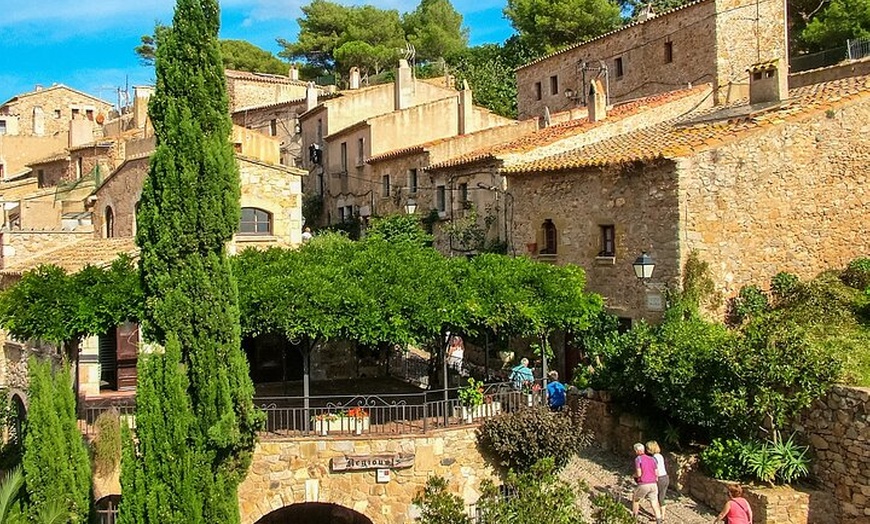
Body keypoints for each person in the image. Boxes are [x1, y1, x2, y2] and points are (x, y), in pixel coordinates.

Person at [632, 443, 663, 524]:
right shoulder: (653, 459)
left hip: (644, 483)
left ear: (637, 451)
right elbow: (657, 473)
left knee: (636, 499)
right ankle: (659, 520)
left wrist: (634, 475)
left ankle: (634, 518)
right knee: (654, 502)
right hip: (653, 484)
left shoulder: (638, 459)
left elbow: (639, 473)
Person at [646, 440, 669, 521]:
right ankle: (662, 516)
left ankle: (657, 516)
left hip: (659, 479)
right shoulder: (660, 456)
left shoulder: (653, 458)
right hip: (665, 477)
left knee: (653, 497)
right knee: (661, 498)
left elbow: (654, 471)